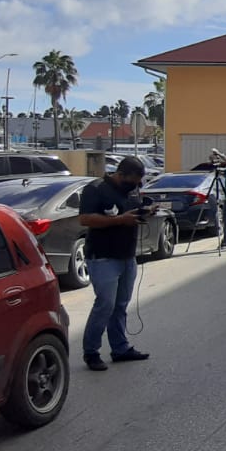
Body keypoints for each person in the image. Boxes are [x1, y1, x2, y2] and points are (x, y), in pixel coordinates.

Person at [77, 156, 153, 370]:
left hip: (127, 256)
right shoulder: (96, 189)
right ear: (121, 174)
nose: (136, 185)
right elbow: (85, 219)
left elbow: (132, 211)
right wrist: (120, 220)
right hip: (103, 257)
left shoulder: (132, 190)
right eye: (134, 180)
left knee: (120, 306)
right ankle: (91, 352)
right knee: (105, 306)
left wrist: (145, 212)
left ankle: (120, 348)